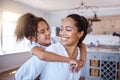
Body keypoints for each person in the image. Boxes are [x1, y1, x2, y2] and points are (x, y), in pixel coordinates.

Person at [15, 13, 87, 80]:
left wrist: (82, 62)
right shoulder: (35, 47)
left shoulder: (56, 40)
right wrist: (69, 60)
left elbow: (81, 44)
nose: (48, 33)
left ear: (80, 33)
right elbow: (43, 55)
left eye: (47, 28)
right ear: (32, 38)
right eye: (42, 32)